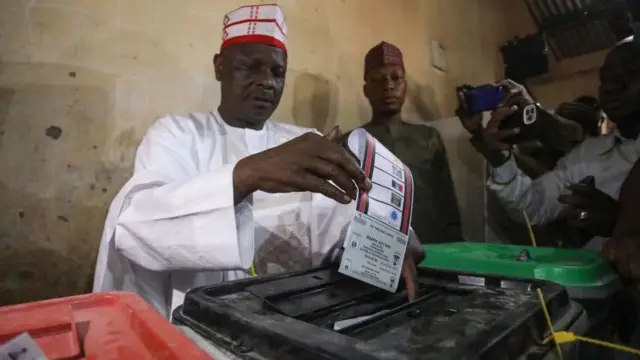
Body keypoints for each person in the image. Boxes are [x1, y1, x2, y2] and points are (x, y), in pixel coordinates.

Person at [92, 4, 424, 318]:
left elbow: (336, 221)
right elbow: (135, 223)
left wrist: (387, 241)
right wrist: (246, 175)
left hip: (296, 324)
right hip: (201, 332)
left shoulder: (303, 140)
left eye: (277, 71)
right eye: (250, 67)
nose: (267, 80)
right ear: (220, 67)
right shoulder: (177, 134)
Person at [461, 36, 640, 252]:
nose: (609, 88)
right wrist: (499, 157)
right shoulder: (589, 154)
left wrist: (621, 225)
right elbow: (532, 208)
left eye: (626, 77)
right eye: (605, 79)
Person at [358, 41, 463, 244]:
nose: (388, 86)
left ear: (405, 85)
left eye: (395, 78)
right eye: (377, 80)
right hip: (375, 249)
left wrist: (455, 243)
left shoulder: (429, 138)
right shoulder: (355, 140)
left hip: (431, 247)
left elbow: (447, 202)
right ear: (366, 90)